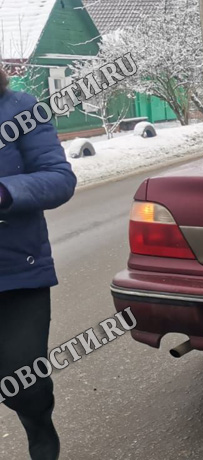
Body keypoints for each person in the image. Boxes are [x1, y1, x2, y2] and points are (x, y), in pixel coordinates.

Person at [0, 68, 76, 459]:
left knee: (23, 381)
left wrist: (5, 191)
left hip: (17, 274)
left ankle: (40, 432)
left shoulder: (20, 109)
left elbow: (60, 178)